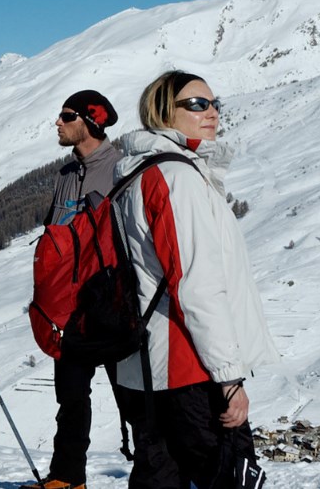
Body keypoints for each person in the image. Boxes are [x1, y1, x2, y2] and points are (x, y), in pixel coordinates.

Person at [110, 71, 279, 489]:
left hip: (147, 369)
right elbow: (196, 283)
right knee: (230, 479)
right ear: (165, 111)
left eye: (214, 102)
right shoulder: (176, 177)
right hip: (188, 369)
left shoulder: (138, 173)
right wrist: (228, 377)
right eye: (197, 104)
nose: (213, 112)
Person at [31, 90, 124, 489]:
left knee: (134, 399)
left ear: (89, 122)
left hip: (113, 304)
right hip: (70, 308)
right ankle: (67, 478)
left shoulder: (122, 168)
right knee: (70, 398)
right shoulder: (66, 174)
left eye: (66, 116)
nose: (58, 122)